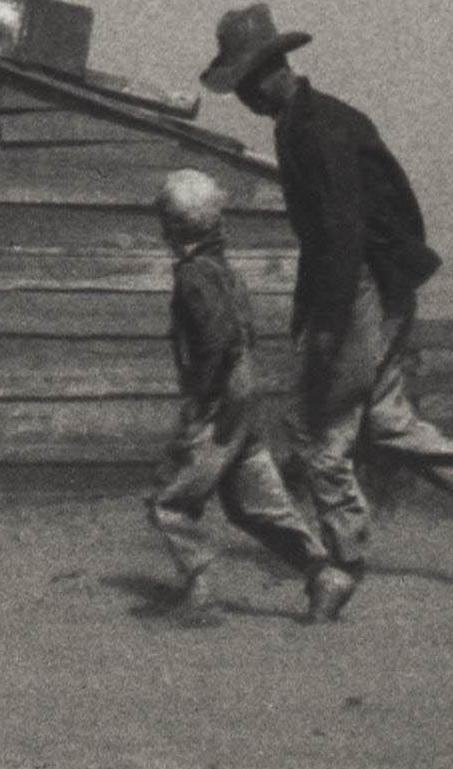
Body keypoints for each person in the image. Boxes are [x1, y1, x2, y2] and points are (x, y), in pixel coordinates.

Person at [199, 4, 453, 621]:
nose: (243, 99)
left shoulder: (313, 130)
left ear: (269, 71)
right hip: (377, 283)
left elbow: (341, 233)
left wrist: (327, 330)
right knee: (386, 423)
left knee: (317, 429)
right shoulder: (313, 119)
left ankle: (343, 563)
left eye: (245, 84)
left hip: (359, 287)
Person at [145, 168, 342, 621]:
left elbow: (216, 339)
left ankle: (200, 593)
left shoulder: (193, 275)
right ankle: (323, 574)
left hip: (222, 399)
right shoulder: (226, 271)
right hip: (246, 395)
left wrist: (201, 401)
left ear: (173, 226)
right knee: (255, 503)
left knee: (170, 500)